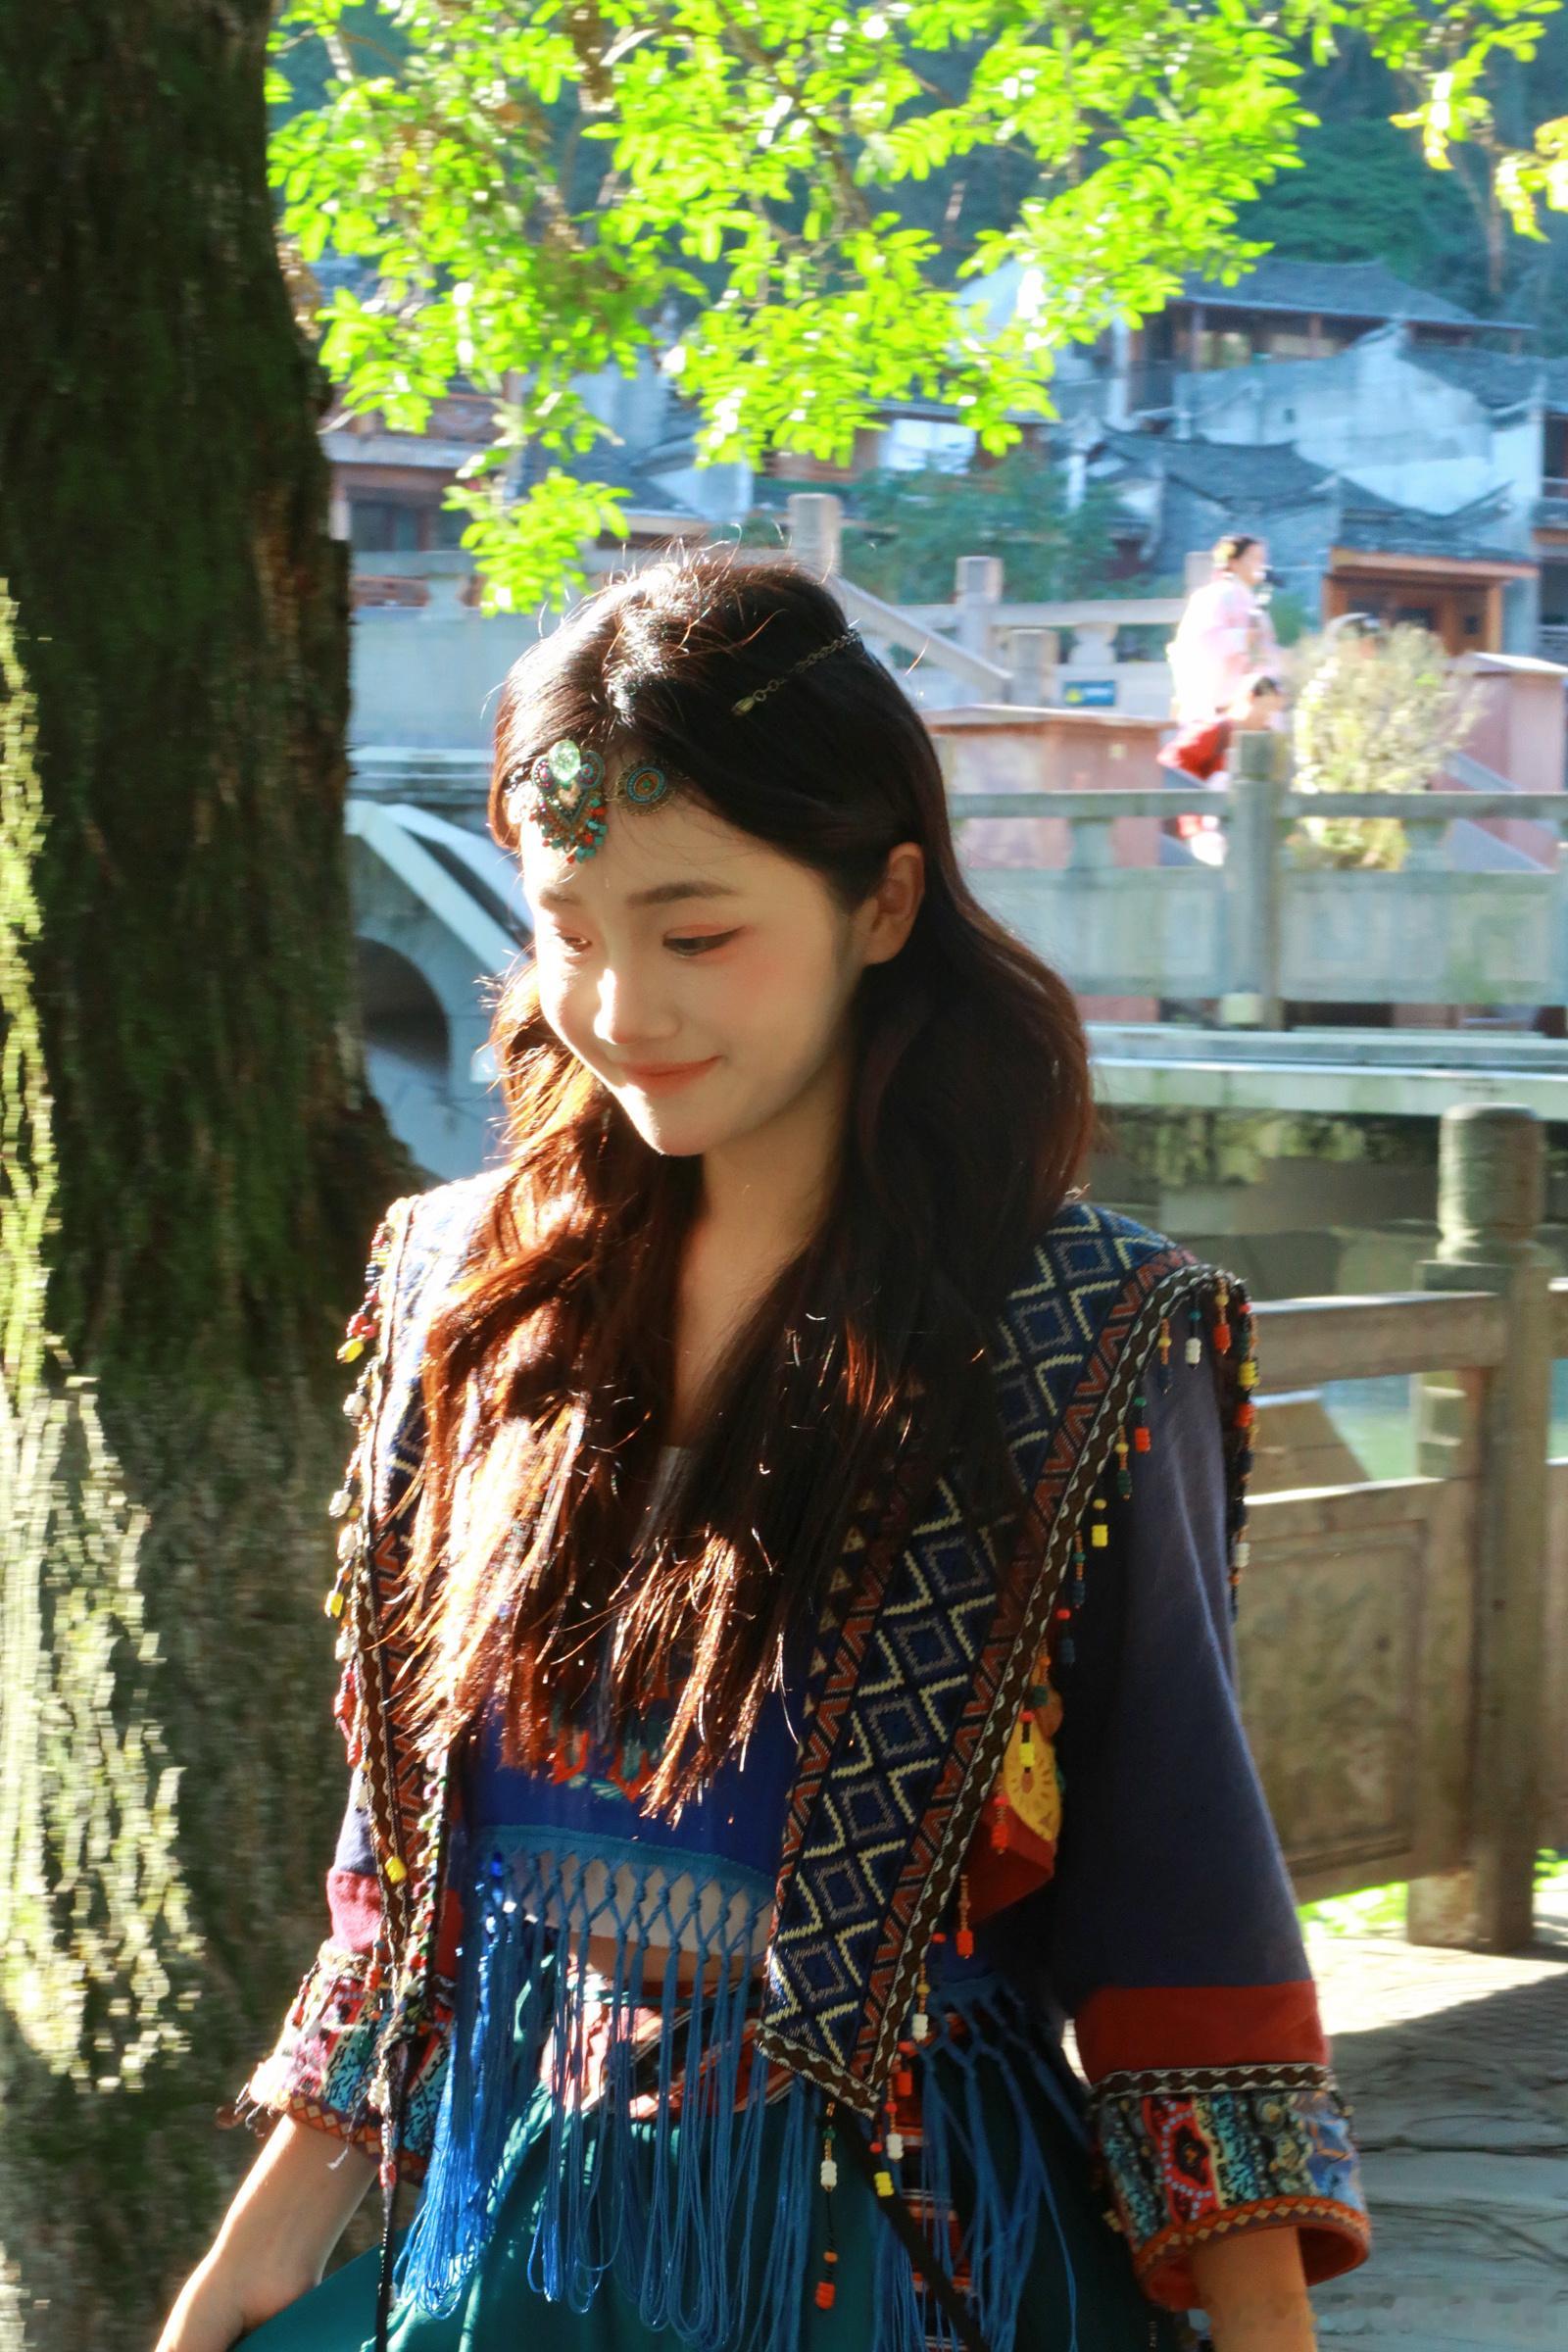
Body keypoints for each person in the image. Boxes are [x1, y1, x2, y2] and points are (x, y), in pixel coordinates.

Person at [156, 553, 1369, 2352]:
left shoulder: (1088, 1339)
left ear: (886, 902)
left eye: (697, 932)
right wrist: (254, 2259)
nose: (622, 1009)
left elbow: (1178, 1880)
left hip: (915, 2265)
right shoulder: (461, 1295)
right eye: (569, 931)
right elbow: (405, 1874)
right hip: (542, 2250)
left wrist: (1263, 2327)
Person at [1157, 673, 1287, 868]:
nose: (1269, 718)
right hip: (1201, 834)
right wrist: (1197, 820)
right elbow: (1171, 772)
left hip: (1246, 833)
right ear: (1250, 698)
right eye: (1267, 709)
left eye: (1274, 712)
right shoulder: (1213, 731)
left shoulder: (1268, 740)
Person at [1168, 536, 1281, 724]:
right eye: (1254, 558)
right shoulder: (1214, 595)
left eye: (1262, 559)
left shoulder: (1252, 600)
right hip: (1218, 701)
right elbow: (1201, 642)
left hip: (1249, 701)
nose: (1261, 565)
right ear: (1233, 562)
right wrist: (1242, 638)